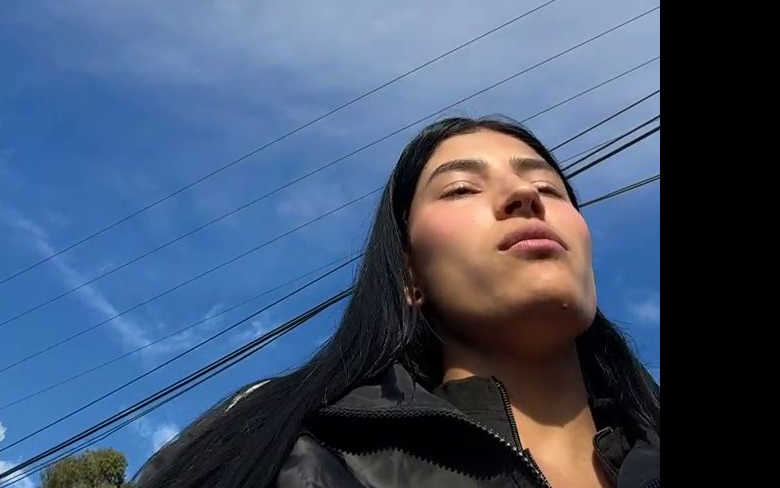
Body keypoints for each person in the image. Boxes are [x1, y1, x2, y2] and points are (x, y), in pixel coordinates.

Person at [134, 116, 660, 488]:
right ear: (409, 275)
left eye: (548, 187)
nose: (524, 197)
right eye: (461, 189)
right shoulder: (280, 451)